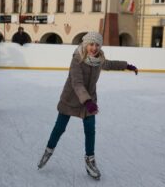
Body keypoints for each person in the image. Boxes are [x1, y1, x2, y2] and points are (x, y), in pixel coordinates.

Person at [37, 32, 138, 180]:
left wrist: (126, 65)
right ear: (85, 44)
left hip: (88, 100)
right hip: (71, 98)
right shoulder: (77, 59)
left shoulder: (99, 59)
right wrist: (88, 101)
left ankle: (90, 160)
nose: (94, 48)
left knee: (90, 130)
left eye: (97, 45)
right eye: (91, 44)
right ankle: (48, 151)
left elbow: (109, 64)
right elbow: (77, 83)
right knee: (59, 128)